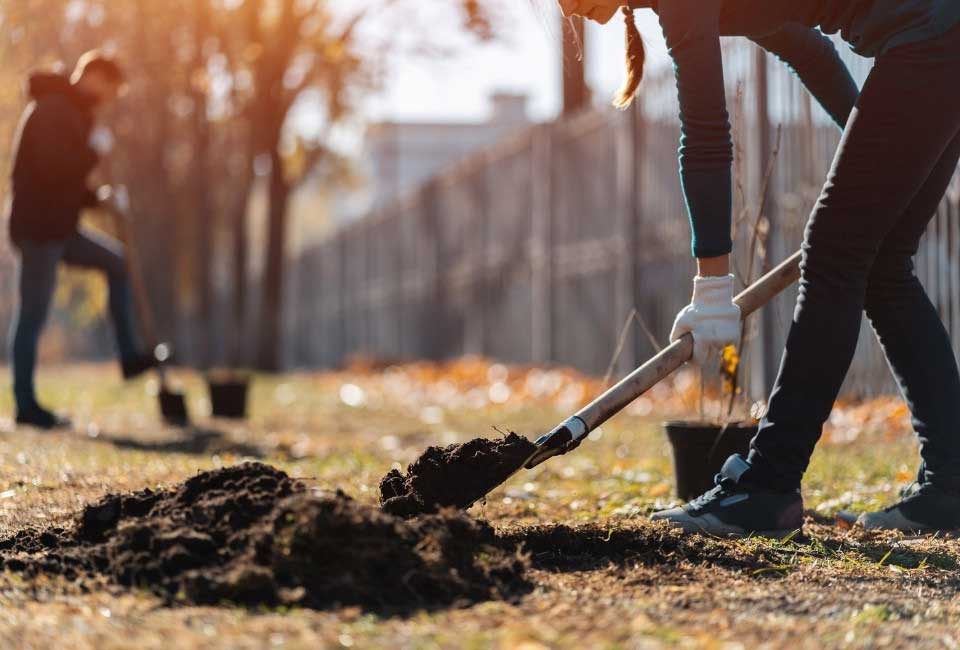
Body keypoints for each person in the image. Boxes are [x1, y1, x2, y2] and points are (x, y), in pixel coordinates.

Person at [555, 0, 960, 534]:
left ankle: (766, 486)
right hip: (936, 39)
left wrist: (712, 285)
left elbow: (703, 132)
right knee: (880, 265)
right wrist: (889, 154)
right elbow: (807, 48)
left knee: (835, 255)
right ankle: (951, 488)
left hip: (933, 37)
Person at [6, 51, 160, 430]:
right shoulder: (52, 109)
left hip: (61, 227)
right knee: (32, 315)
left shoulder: (74, 113)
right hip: (39, 229)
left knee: (117, 261)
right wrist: (93, 152)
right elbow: (53, 168)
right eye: (110, 87)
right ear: (92, 76)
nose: (110, 97)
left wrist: (99, 198)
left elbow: (66, 182)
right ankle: (26, 406)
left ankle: (129, 355)